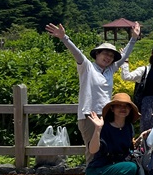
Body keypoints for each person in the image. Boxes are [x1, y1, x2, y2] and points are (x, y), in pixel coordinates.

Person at [46, 21, 140, 161]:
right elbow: (77, 54)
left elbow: (124, 56)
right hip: (88, 115)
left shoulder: (110, 70)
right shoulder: (87, 67)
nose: (108, 57)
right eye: (105, 54)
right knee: (92, 150)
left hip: (106, 115)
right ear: (96, 54)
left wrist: (133, 39)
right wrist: (64, 38)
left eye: (111, 56)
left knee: (106, 148)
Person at [86, 93, 143, 175]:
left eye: (126, 106)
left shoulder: (128, 127)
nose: (123, 109)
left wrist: (141, 138)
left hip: (116, 168)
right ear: (112, 108)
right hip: (98, 170)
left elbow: (129, 148)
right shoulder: (104, 127)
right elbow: (93, 150)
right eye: (119, 106)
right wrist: (97, 129)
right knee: (130, 167)